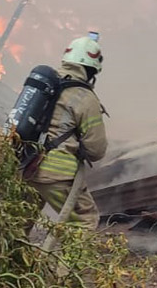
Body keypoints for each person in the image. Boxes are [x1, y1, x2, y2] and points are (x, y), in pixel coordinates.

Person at [25, 34, 107, 230]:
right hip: (56, 174)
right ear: (91, 70)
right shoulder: (85, 97)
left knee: (19, 222)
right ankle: (67, 254)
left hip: (25, 166)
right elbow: (96, 150)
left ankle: (7, 251)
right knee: (84, 220)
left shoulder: (46, 86)